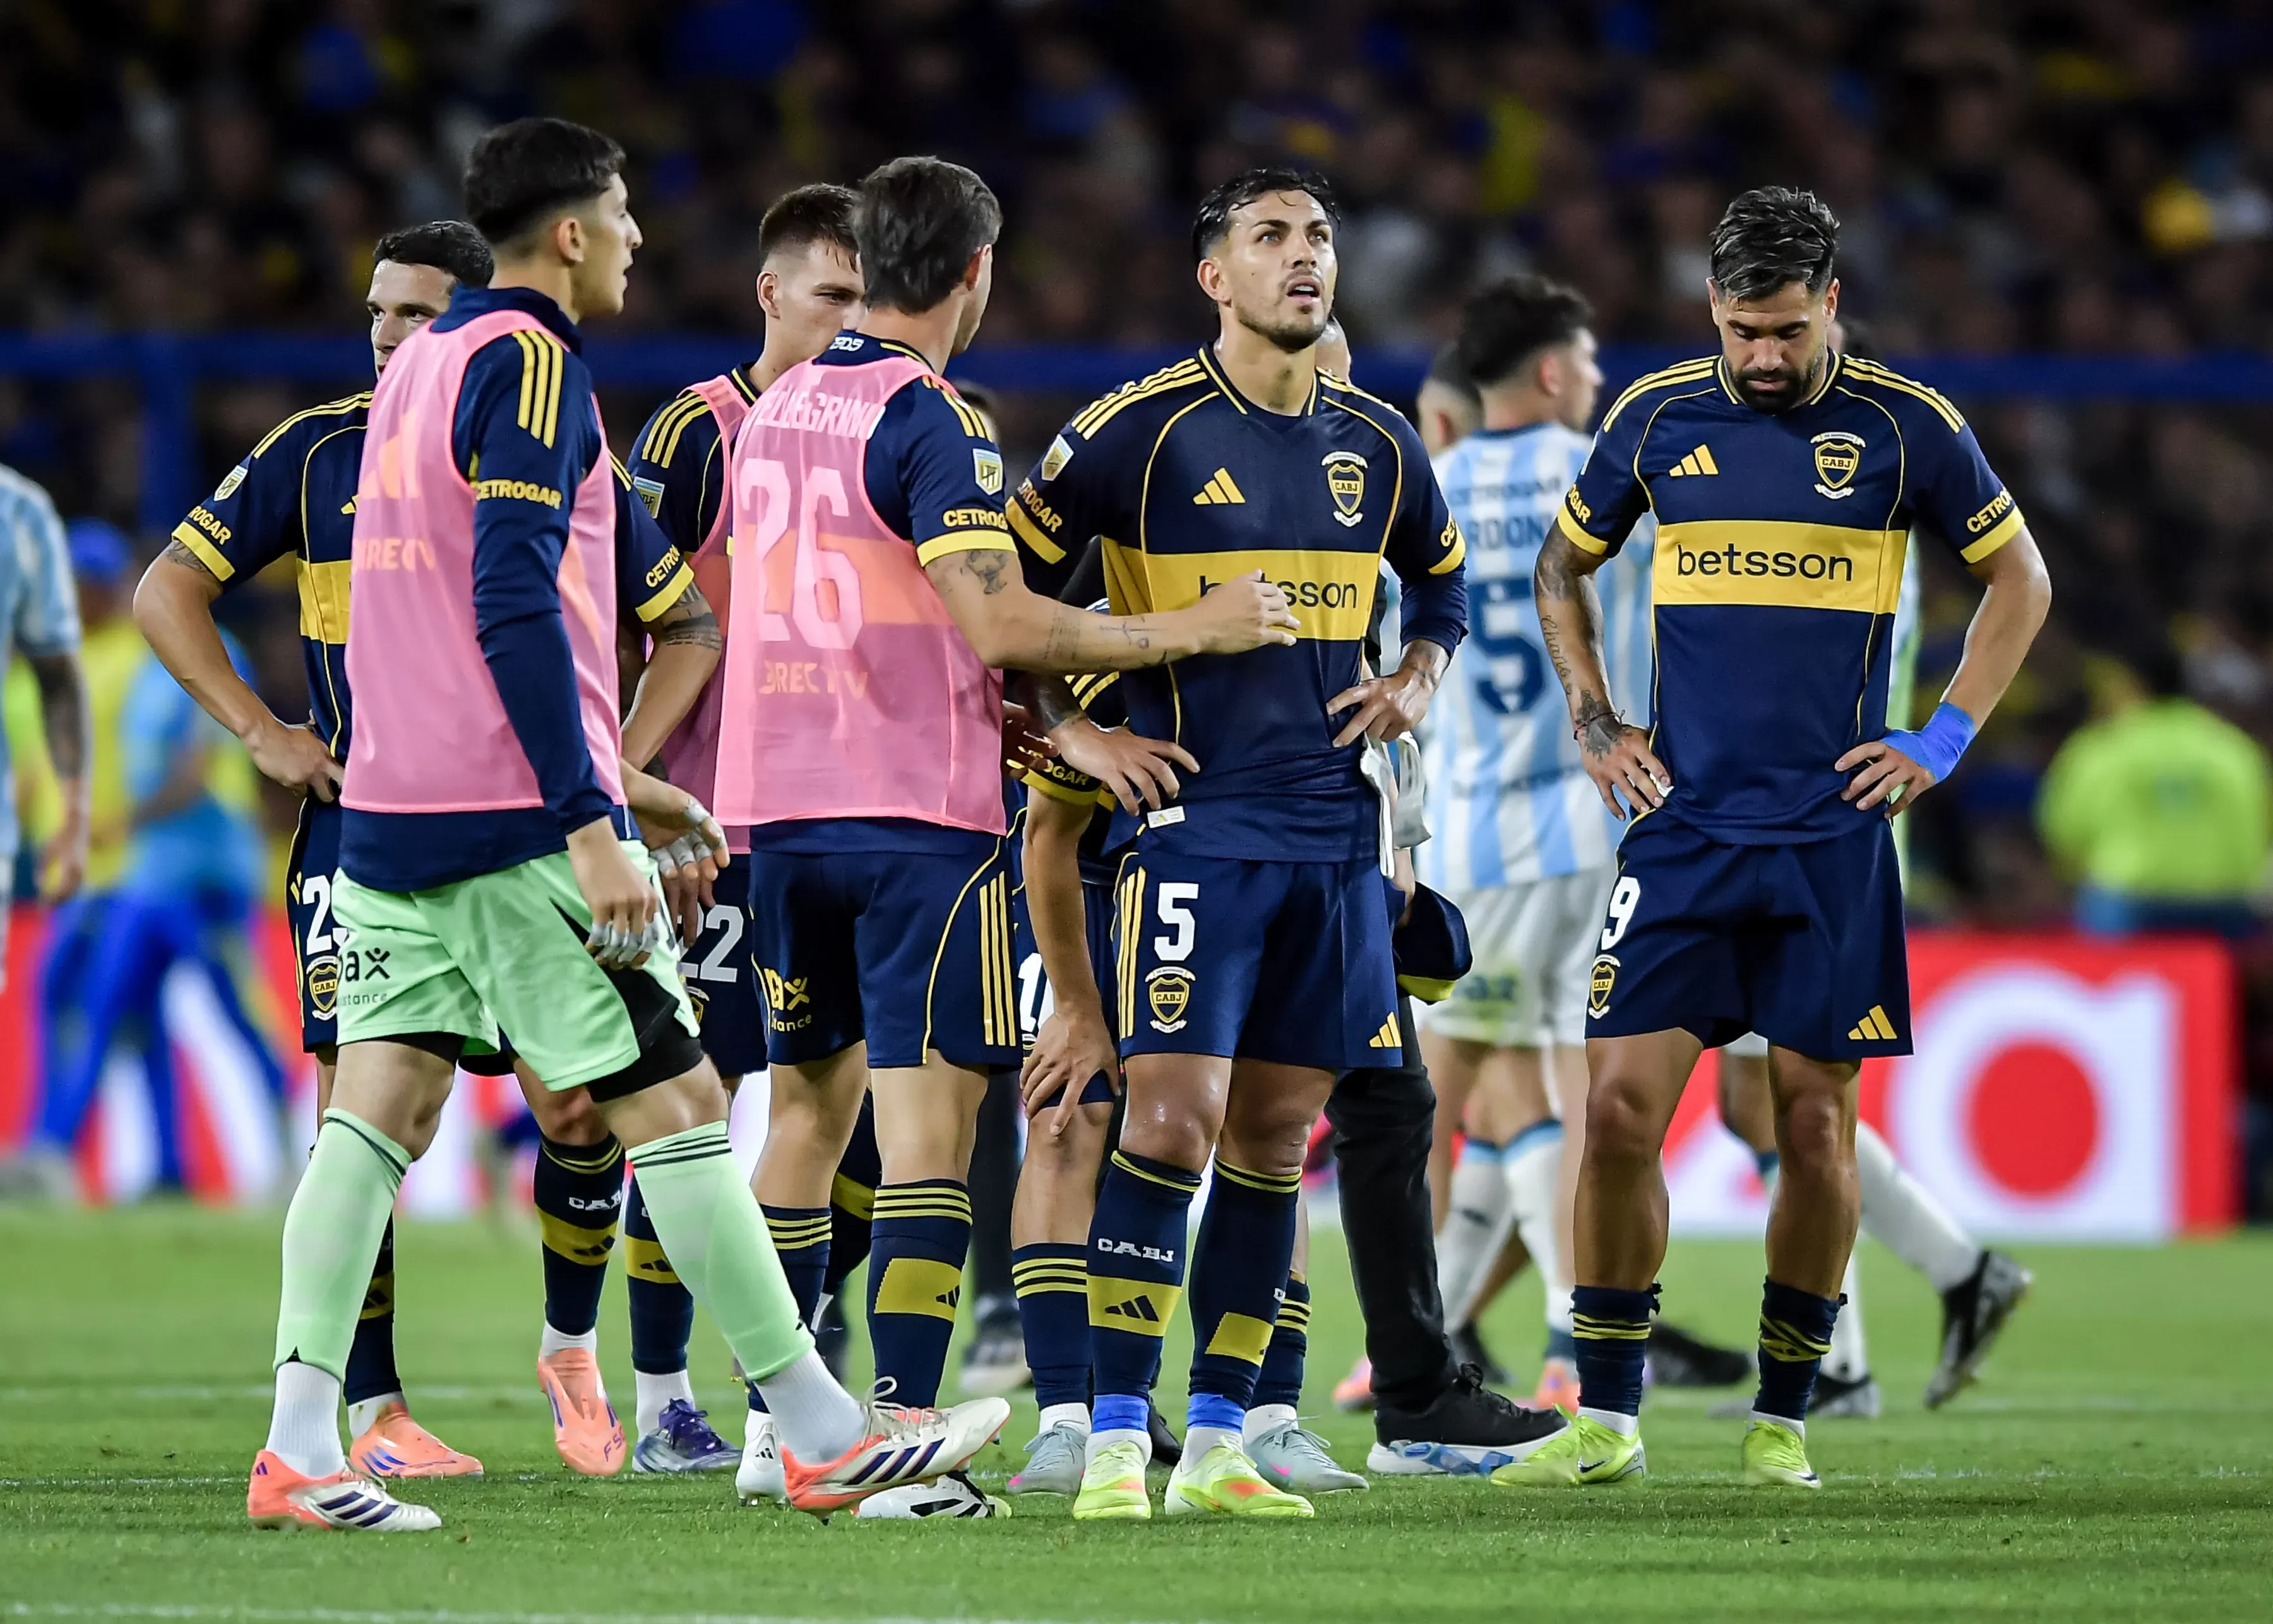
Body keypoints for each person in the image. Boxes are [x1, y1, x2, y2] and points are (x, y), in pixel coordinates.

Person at [240, 117, 1011, 1533]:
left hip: (395, 809)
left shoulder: (414, 375)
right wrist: (592, 815)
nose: (645, 239)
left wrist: (630, 774)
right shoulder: (532, 366)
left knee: (375, 1117)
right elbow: (518, 602)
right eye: (625, 213)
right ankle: (825, 1430)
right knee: (683, 1107)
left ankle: (301, 1440)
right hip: (507, 819)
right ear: (576, 233)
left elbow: (431, 607)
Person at [713, 153, 1293, 1520]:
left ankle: (775, 1424)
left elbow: (890, 613)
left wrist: (1056, 729)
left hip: (778, 804)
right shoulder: (937, 419)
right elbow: (998, 618)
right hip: (914, 814)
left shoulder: (780, 402)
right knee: (927, 1138)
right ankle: (904, 1439)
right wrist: (1188, 628)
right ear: (975, 272)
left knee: (800, 1116)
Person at [1004, 164, 1560, 1522]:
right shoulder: (1131, 436)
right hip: (1196, 832)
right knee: (1173, 1121)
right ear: (1217, 276)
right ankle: (1120, 1439)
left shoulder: (1379, 440)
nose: (1303, 257)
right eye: (1270, 237)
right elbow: (992, 603)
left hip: (1335, 839)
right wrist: (1076, 737)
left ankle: (1221, 1443)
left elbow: (1441, 580)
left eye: (1317, 235)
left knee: (1269, 1142)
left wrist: (1419, 673)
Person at [1503, 186, 2051, 1492]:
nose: (1763, 355)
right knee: (1622, 1112)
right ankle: (1608, 1418)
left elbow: (2022, 579)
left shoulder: (1909, 428)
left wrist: (1942, 740)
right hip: (1683, 830)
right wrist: (1595, 717)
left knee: (1814, 1124)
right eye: (1744, 328)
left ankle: (1786, 1412)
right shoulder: (1653, 416)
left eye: (1787, 331)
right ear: (1711, 309)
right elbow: (1558, 567)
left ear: (1832, 308)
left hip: (1829, 834)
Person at [132, 222, 496, 1479]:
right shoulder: (315, 449)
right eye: (380, 310)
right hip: (358, 826)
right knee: (359, 1107)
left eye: (419, 313)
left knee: (587, 1100)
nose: (390, 334)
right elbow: (165, 588)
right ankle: (364, 1406)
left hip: (507, 824)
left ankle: (622, 1375)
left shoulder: (530, 445)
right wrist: (261, 728)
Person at [1712, 315, 2033, 1420]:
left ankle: (1843, 1356)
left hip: (1822, 810)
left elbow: (2019, 579)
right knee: (1759, 1102)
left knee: (1791, 1100)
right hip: (1789, 806)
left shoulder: (1890, 449)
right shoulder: (1837, 463)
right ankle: (1952, 1275)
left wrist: (1939, 740)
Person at [621, 181, 864, 1477]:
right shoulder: (697, 431)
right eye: (830, 294)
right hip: (711, 832)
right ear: (769, 294)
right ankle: (665, 1393)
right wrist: (639, 798)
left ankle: (804, 1374)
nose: (849, 319)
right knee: (691, 1108)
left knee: (860, 1118)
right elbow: (627, 621)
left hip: (839, 819)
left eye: (865, 299)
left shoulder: (884, 424)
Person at [1411, 275, 1636, 1418]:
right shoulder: (1604, 480)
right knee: (1548, 1076)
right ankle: (1541, 1331)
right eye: (1588, 364)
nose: (1597, 382)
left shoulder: (1434, 488)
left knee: (1445, 1087)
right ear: (1551, 371)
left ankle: (1452, 1333)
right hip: (1595, 818)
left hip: (1473, 835)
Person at [2039, 648, 2271, 940]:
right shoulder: (2234, 749)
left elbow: (2064, 832)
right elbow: (2261, 824)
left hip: (2130, 902)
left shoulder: (2102, 748)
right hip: (2225, 902)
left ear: (2132, 685)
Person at [0, 470, 90, 1201]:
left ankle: (47, 1146)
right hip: (113, 877)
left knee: (89, 1001)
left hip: (170, 876)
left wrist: (71, 820)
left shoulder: (18, 513)